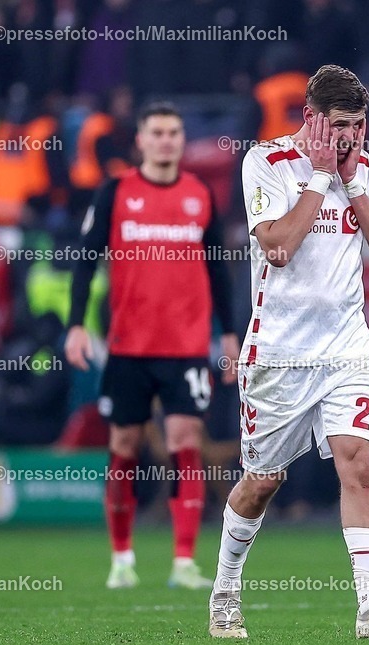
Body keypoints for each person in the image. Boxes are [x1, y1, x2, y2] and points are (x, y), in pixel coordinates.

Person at [208, 65, 369, 641]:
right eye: (339, 125)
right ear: (310, 118)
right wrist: (321, 180)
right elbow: (276, 247)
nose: (350, 136)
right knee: (262, 481)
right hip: (279, 352)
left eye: (357, 125)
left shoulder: (362, 170)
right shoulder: (266, 162)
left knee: (360, 462)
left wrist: (352, 184)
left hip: (346, 346)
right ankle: (225, 591)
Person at [65, 102, 239, 590]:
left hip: (185, 346)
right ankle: (122, 557)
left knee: (186, 442)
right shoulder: (116, 191)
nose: (167, 140)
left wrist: (228, 333)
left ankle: (184, 561)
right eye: (158, 132)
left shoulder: (200, 193)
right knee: (123, 446)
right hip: (128, 346)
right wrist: (77, 324)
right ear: (140, 140)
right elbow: (85, 260)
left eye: (174, 133)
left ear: (182, 141)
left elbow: (217, 269)